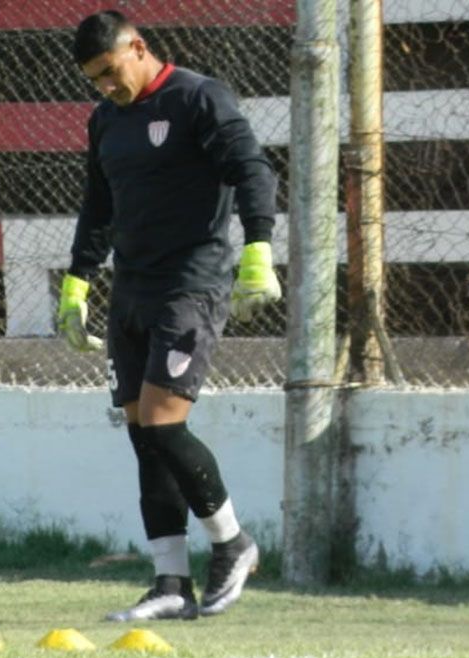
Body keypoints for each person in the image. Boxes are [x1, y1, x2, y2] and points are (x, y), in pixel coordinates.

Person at [57, 10, 282, 621]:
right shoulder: (105, 120)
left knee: (161, 423)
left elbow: (251, 168)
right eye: (93, 79)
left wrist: (259, 244)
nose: (105, 87)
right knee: (143, 437)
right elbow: (98, 205)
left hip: (191, 284)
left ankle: (233, 543)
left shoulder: (197, 98)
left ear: (139, 47)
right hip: (131, 288)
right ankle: (169, 584)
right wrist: (77, 280)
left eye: (110, 72)